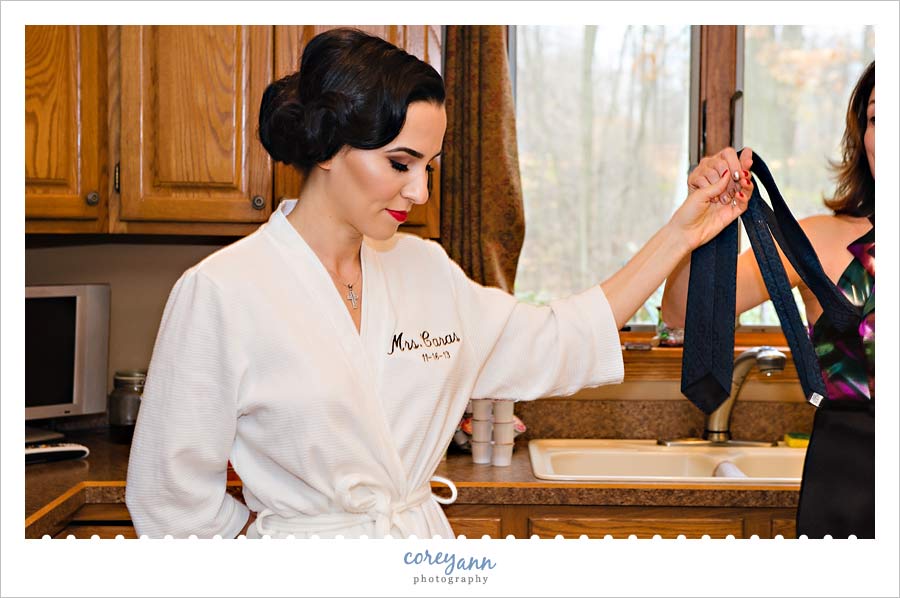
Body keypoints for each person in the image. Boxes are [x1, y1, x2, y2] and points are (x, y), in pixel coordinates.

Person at [125, 28, 754, 539]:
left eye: (429, 166)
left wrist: (681, 233)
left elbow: (562, 337)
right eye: (400, 163)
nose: (420, 192)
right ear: (327, 145)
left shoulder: (425, 270)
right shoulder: (224, 291)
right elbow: (168, 497)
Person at [662, 61, 875, 538]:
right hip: (846, 500)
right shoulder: (818, 242)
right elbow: (679, 314)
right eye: (879, 118)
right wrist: (699, 226)